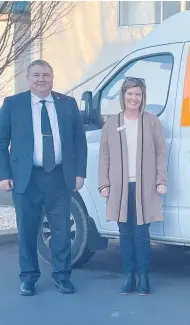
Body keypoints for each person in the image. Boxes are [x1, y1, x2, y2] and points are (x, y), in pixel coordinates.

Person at [0, 59, 88, 296]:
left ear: (52, 77)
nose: (42, 79)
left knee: (61, 230)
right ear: (28, 78)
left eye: (46, 75)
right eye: (37, 75)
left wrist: (80, 173)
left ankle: (62, 276)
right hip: (25, 179)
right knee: (27, 231)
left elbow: (80, 141)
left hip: (59, 177)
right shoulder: (12, 104)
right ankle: (28, 278)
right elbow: (1, 143)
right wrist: (4, 174)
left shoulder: (67, 104)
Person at [98, 77, 167, 295]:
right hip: (119, 188)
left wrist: (161, 180)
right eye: (130, 94)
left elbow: (161, 152)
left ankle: (143, 276)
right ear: (123, 96)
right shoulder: (111, 123)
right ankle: (128, 275)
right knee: (124, 233)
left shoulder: (152, 121)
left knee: (141, 233)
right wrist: (104, 184)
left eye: (138, 94)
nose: (134, 98)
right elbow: (104, 156)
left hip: (143, 187)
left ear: (143, 97)